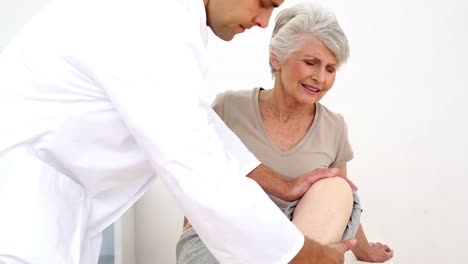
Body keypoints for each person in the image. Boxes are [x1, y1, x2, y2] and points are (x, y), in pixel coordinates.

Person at [0, 0, 356, 263]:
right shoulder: (151, 22)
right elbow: (202, 176)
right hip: (20, 211)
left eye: (330, 68)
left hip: (47, 215)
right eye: (264, 3)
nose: (264, 22)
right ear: (279, 60)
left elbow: (199, 129)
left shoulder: (168, 26)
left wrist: (282, 185)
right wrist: (313, 257)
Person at [176, 2, 394, 264]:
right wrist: (191, 235)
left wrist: (363, 249)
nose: (320, 78)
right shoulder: (229, 108)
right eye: (310, 62)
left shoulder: (333, 127)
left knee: (337, 187)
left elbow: (340, 205)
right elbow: (196, 179)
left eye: (330, 69)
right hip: (225, 239)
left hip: (293, 242)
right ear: (276, 58)